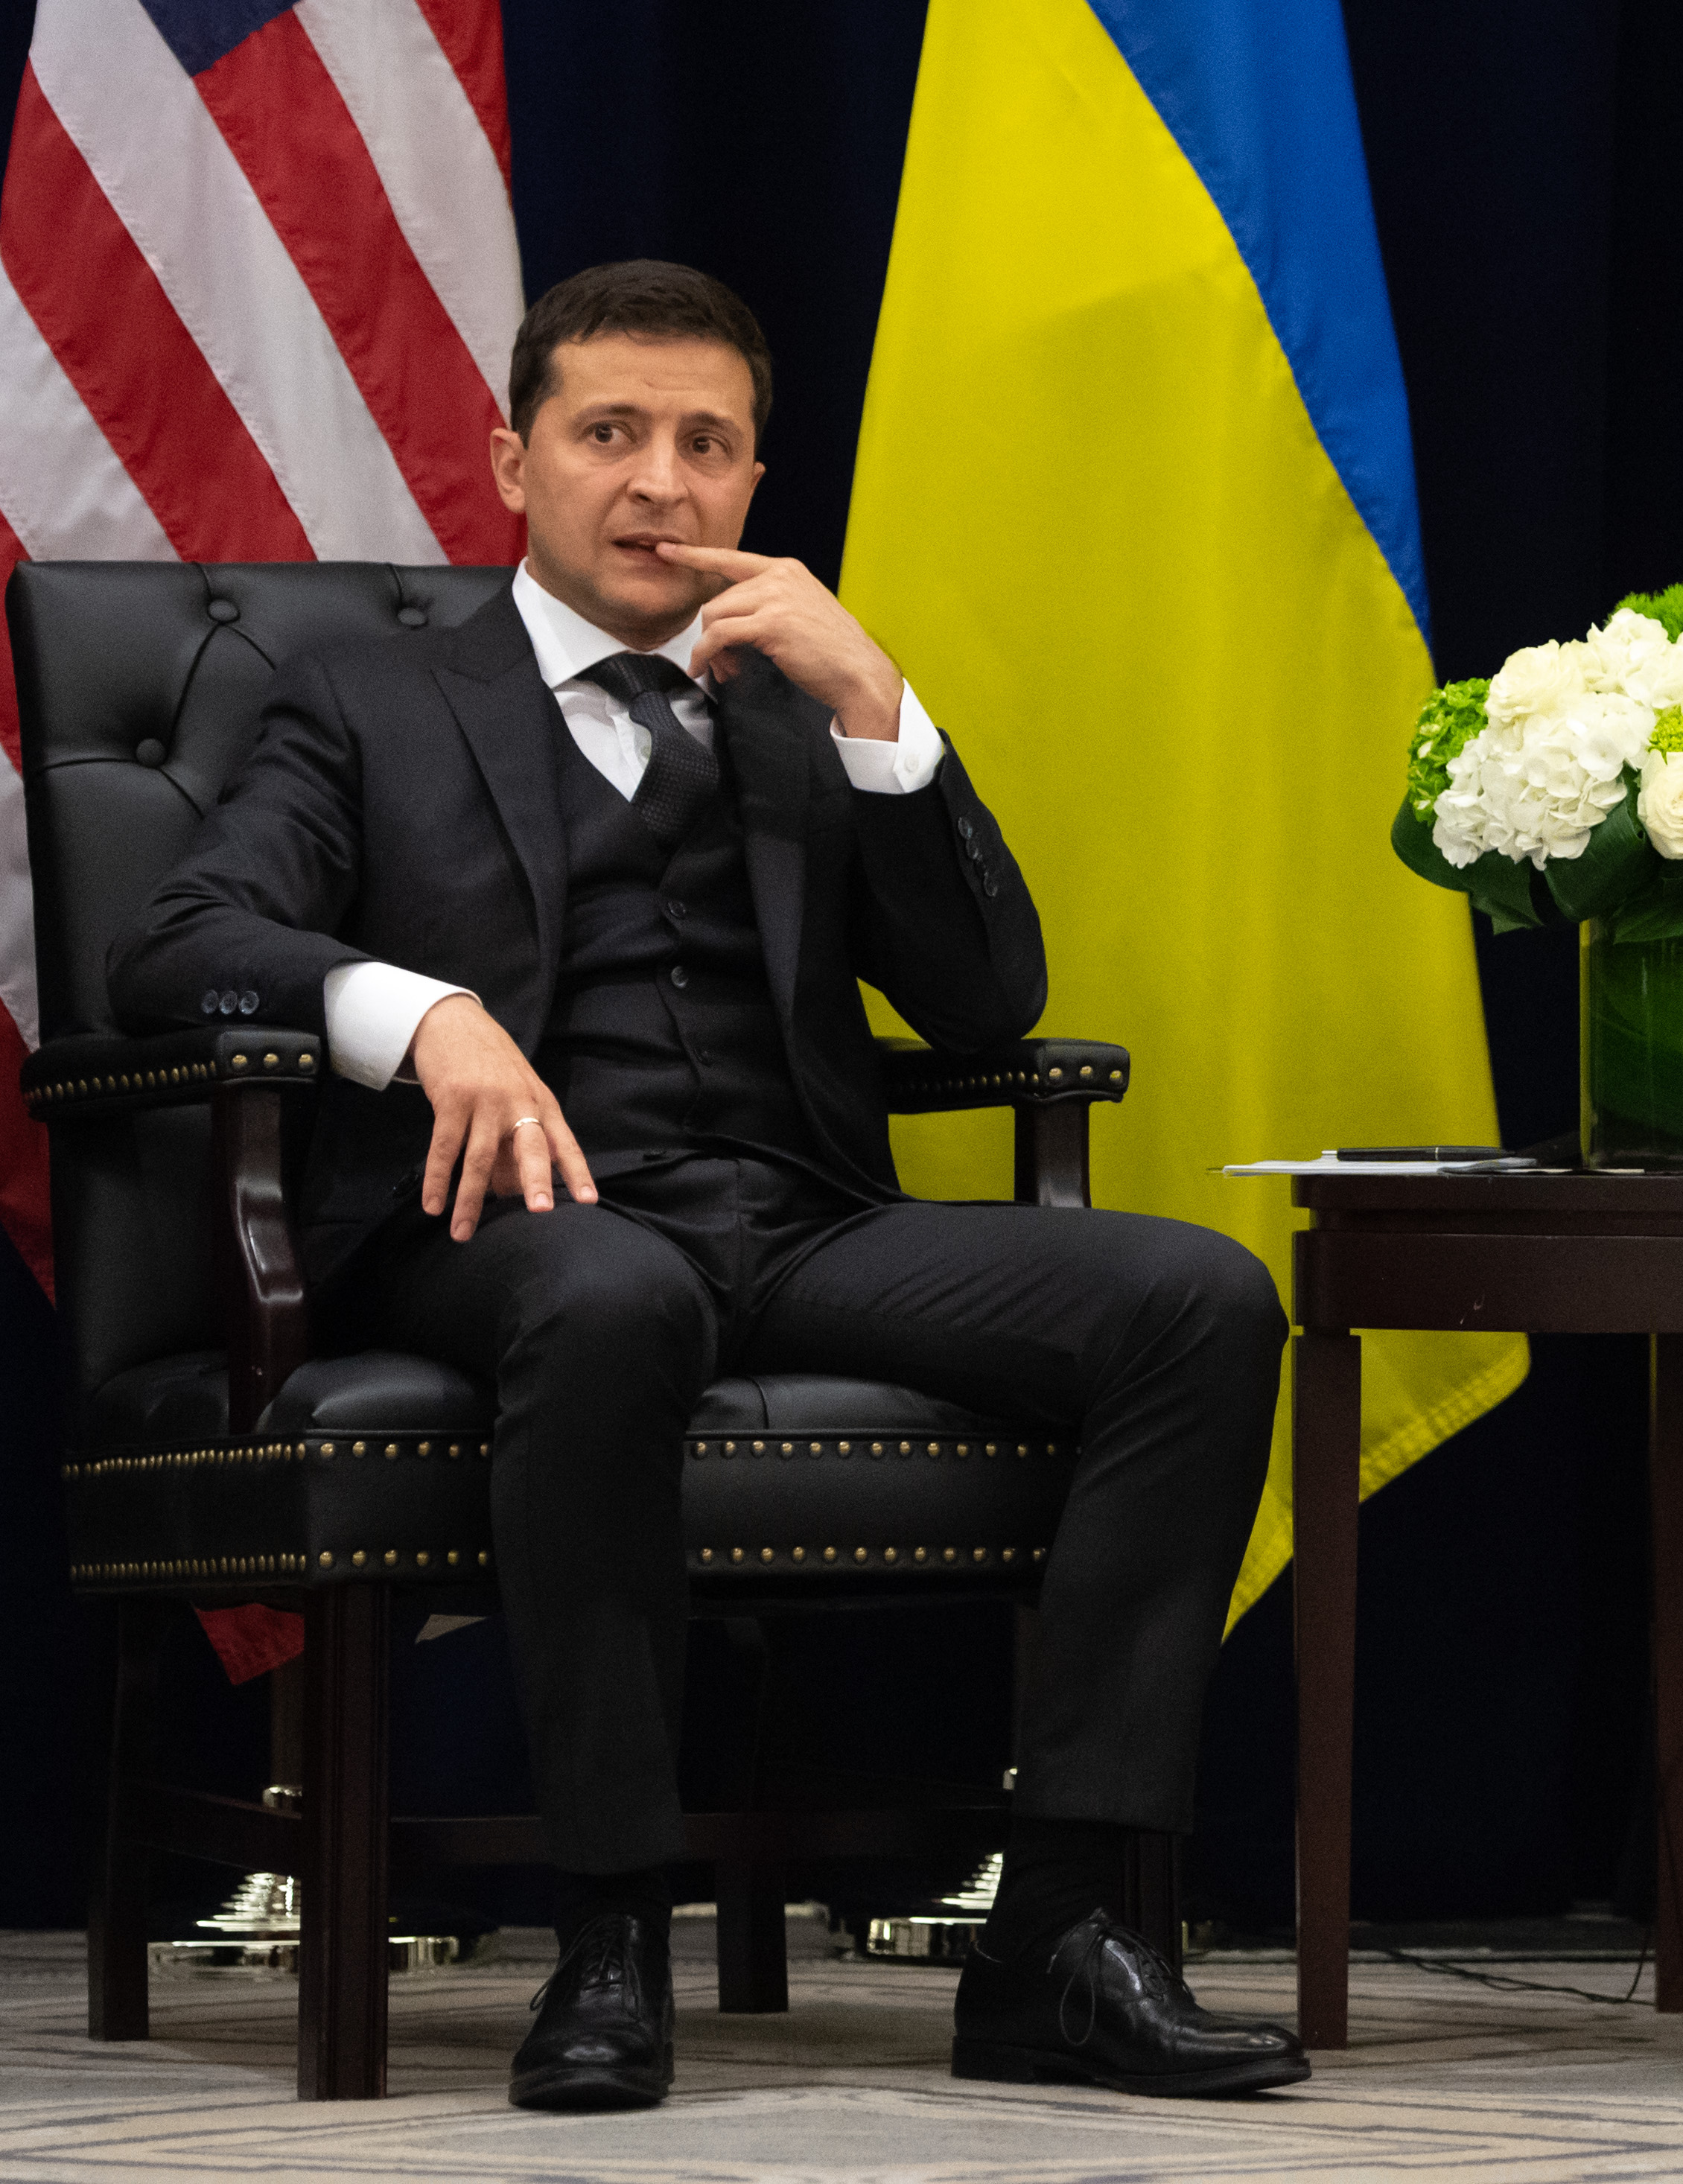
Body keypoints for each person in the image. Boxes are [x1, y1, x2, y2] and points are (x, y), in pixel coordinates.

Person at [110, 261, 1306, 2112]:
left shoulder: (798, 712)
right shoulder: (369, 698)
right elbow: (177, 945)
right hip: (497, 1232)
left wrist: (884, 715)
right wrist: (420, 1016)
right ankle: (608, 1934)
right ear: (514, 462)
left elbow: (987, 1004)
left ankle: (1060, 1933)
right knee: (613, 1293)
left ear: (754, 481)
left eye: (705, 444)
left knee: (1199, 1300)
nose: (658, 481)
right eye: (609, 433)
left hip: (803, 1220)